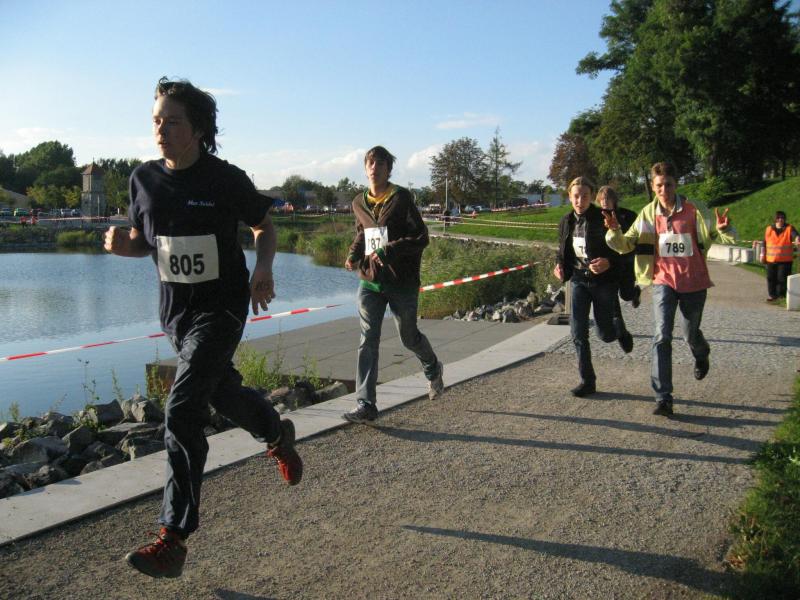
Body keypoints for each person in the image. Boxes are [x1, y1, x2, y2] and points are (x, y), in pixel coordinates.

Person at [104, 77, 302, 579]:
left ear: (197, 130)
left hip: (222, 309)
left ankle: (173, 537)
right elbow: (145, 241)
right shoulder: (142, 179)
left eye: (172, 122)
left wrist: (262, 268)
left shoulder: (225, 179)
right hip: (176, 315)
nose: (161, 130)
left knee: (183, 408)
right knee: (221, 394)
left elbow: (264, 227)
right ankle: (275, 431)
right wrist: (123, 246)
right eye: (156, 121)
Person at [604, 162, 734, 416]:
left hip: (694, 282)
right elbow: (626, 245)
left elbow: (715, 233)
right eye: (659, 185)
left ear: (676, 184)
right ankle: (663, 397)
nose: (664, 190)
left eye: (669, 185)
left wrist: (723, 229)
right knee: (661, 335)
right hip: (663, 281)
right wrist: (614, 231)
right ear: (653, 187)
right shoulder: (647, 214)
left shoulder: (694, 209)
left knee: (689, 334)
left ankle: (701, 353)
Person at [342, 146, 444, 423]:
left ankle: (432, 367)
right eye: (370, 163)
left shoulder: (401, 198)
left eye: (380, 163)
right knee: (368, 339)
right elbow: (363, 233)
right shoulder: (358, 202)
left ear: (389, 169)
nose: (374, 168)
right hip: (370, 282)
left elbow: (421, 237)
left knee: (408, 337)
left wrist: (391, 250)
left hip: (402, 281)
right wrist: (353, 254)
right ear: (365, 168)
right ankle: (366, 404)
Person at [554, 176, 634, 398]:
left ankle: (619, 329)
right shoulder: (565, 221)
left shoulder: (604, 218)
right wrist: (558, 266)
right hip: (578, 280)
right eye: (576, 196)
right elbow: (562, 251)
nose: (580, 201)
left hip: (603, 282)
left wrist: (609, 262)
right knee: (578, 332)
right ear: (569, 196)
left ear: (592, 197)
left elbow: (625, 251)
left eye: (585, 196)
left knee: (605, 334)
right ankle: (587, 381)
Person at [596, 186, 641, 308]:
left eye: (607, 198)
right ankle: (616, 319)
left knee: (626, 295)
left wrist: (618, 225)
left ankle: (635, 293)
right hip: (608, 261)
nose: (604, 202)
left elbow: (634, 237)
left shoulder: (628, 215)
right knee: (610, 294)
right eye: (602, 199)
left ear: (614, 200)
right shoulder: (596, 217)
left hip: (626, 259)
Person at [759, 210, 799, 301]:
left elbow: (795, 235)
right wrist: (762, 254)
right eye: (778, 218)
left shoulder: (789, 228)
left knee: (782, 279)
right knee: (770, 279)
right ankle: (772, 296)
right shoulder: (769, 229)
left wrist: (797, 238)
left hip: (785, 261)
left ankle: (780, 296)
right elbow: (764, 242)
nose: (780, 220)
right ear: (775, 219)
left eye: (782, 218)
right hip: (770, 260)